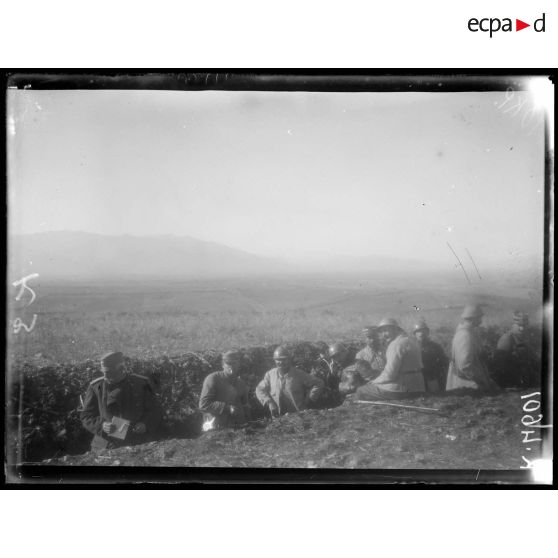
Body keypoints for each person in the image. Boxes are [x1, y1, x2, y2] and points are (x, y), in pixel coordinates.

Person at [81, 351, 163, 450]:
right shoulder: (96, 387)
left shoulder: (141, 384)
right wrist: (102, 426)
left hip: (136, 442)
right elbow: (86, 416)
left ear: (121, 369)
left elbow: (156, 410)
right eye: (104, 372)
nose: (106, 376)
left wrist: (145, 424)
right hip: (105, 444)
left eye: (109, 372)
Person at [355, 318, 425, 401]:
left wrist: (375, 382)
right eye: (382, 331)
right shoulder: (412, 341)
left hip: (402, 390)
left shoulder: (395, 345)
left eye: (386, 330)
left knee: (360, 391)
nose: (384, 334)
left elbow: (389, 375)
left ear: (395, 329)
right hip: (419, 388)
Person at [256, 345, 324, 417]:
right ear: (274, 360)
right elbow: (259, 389)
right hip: (279, 419)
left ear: (289, 360)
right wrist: (269, 402)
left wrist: (310, 399)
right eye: (278, 360)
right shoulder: (270, 375)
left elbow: (319, 383)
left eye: (284, 359)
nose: (281, 362)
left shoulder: (298, 374)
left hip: (299, 417)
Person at [446, 304, 498, 392]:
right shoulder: (465, 335)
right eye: (479, 317)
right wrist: (480, 379)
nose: (481, 320)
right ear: (473, 318)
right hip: (467, 386)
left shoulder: (469, 333)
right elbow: (465, 365)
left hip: (469, 384)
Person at [199, 350, 252, 430]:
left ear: (239, 365)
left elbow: (245, 405)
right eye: (228, 363)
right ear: (223, 365)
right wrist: (227, 408)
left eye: (234, 363)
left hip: (237, 428)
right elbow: (203, 405)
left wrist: (249, 422)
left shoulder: (241, 383)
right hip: (215, 428)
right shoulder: (213, 379)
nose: (231, 366)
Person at [492, 311, 539, 388]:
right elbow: (500, 365)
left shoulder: (524, 337)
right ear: (513, 325)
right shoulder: (507, 339)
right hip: (512, 381)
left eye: (524, 325)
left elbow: (532, 358)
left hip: (525, 378)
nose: (522, 329)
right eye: (519, 325)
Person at [413, 320, 448, 393]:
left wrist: (438, 373)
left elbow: (444, 362)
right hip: (417, 378)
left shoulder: (435, 347)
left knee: (435, 397)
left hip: (431, 378)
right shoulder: (411, 347)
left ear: (428, 332)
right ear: (415, 334)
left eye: (424, 331)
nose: (421, 333)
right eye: (419, 331)